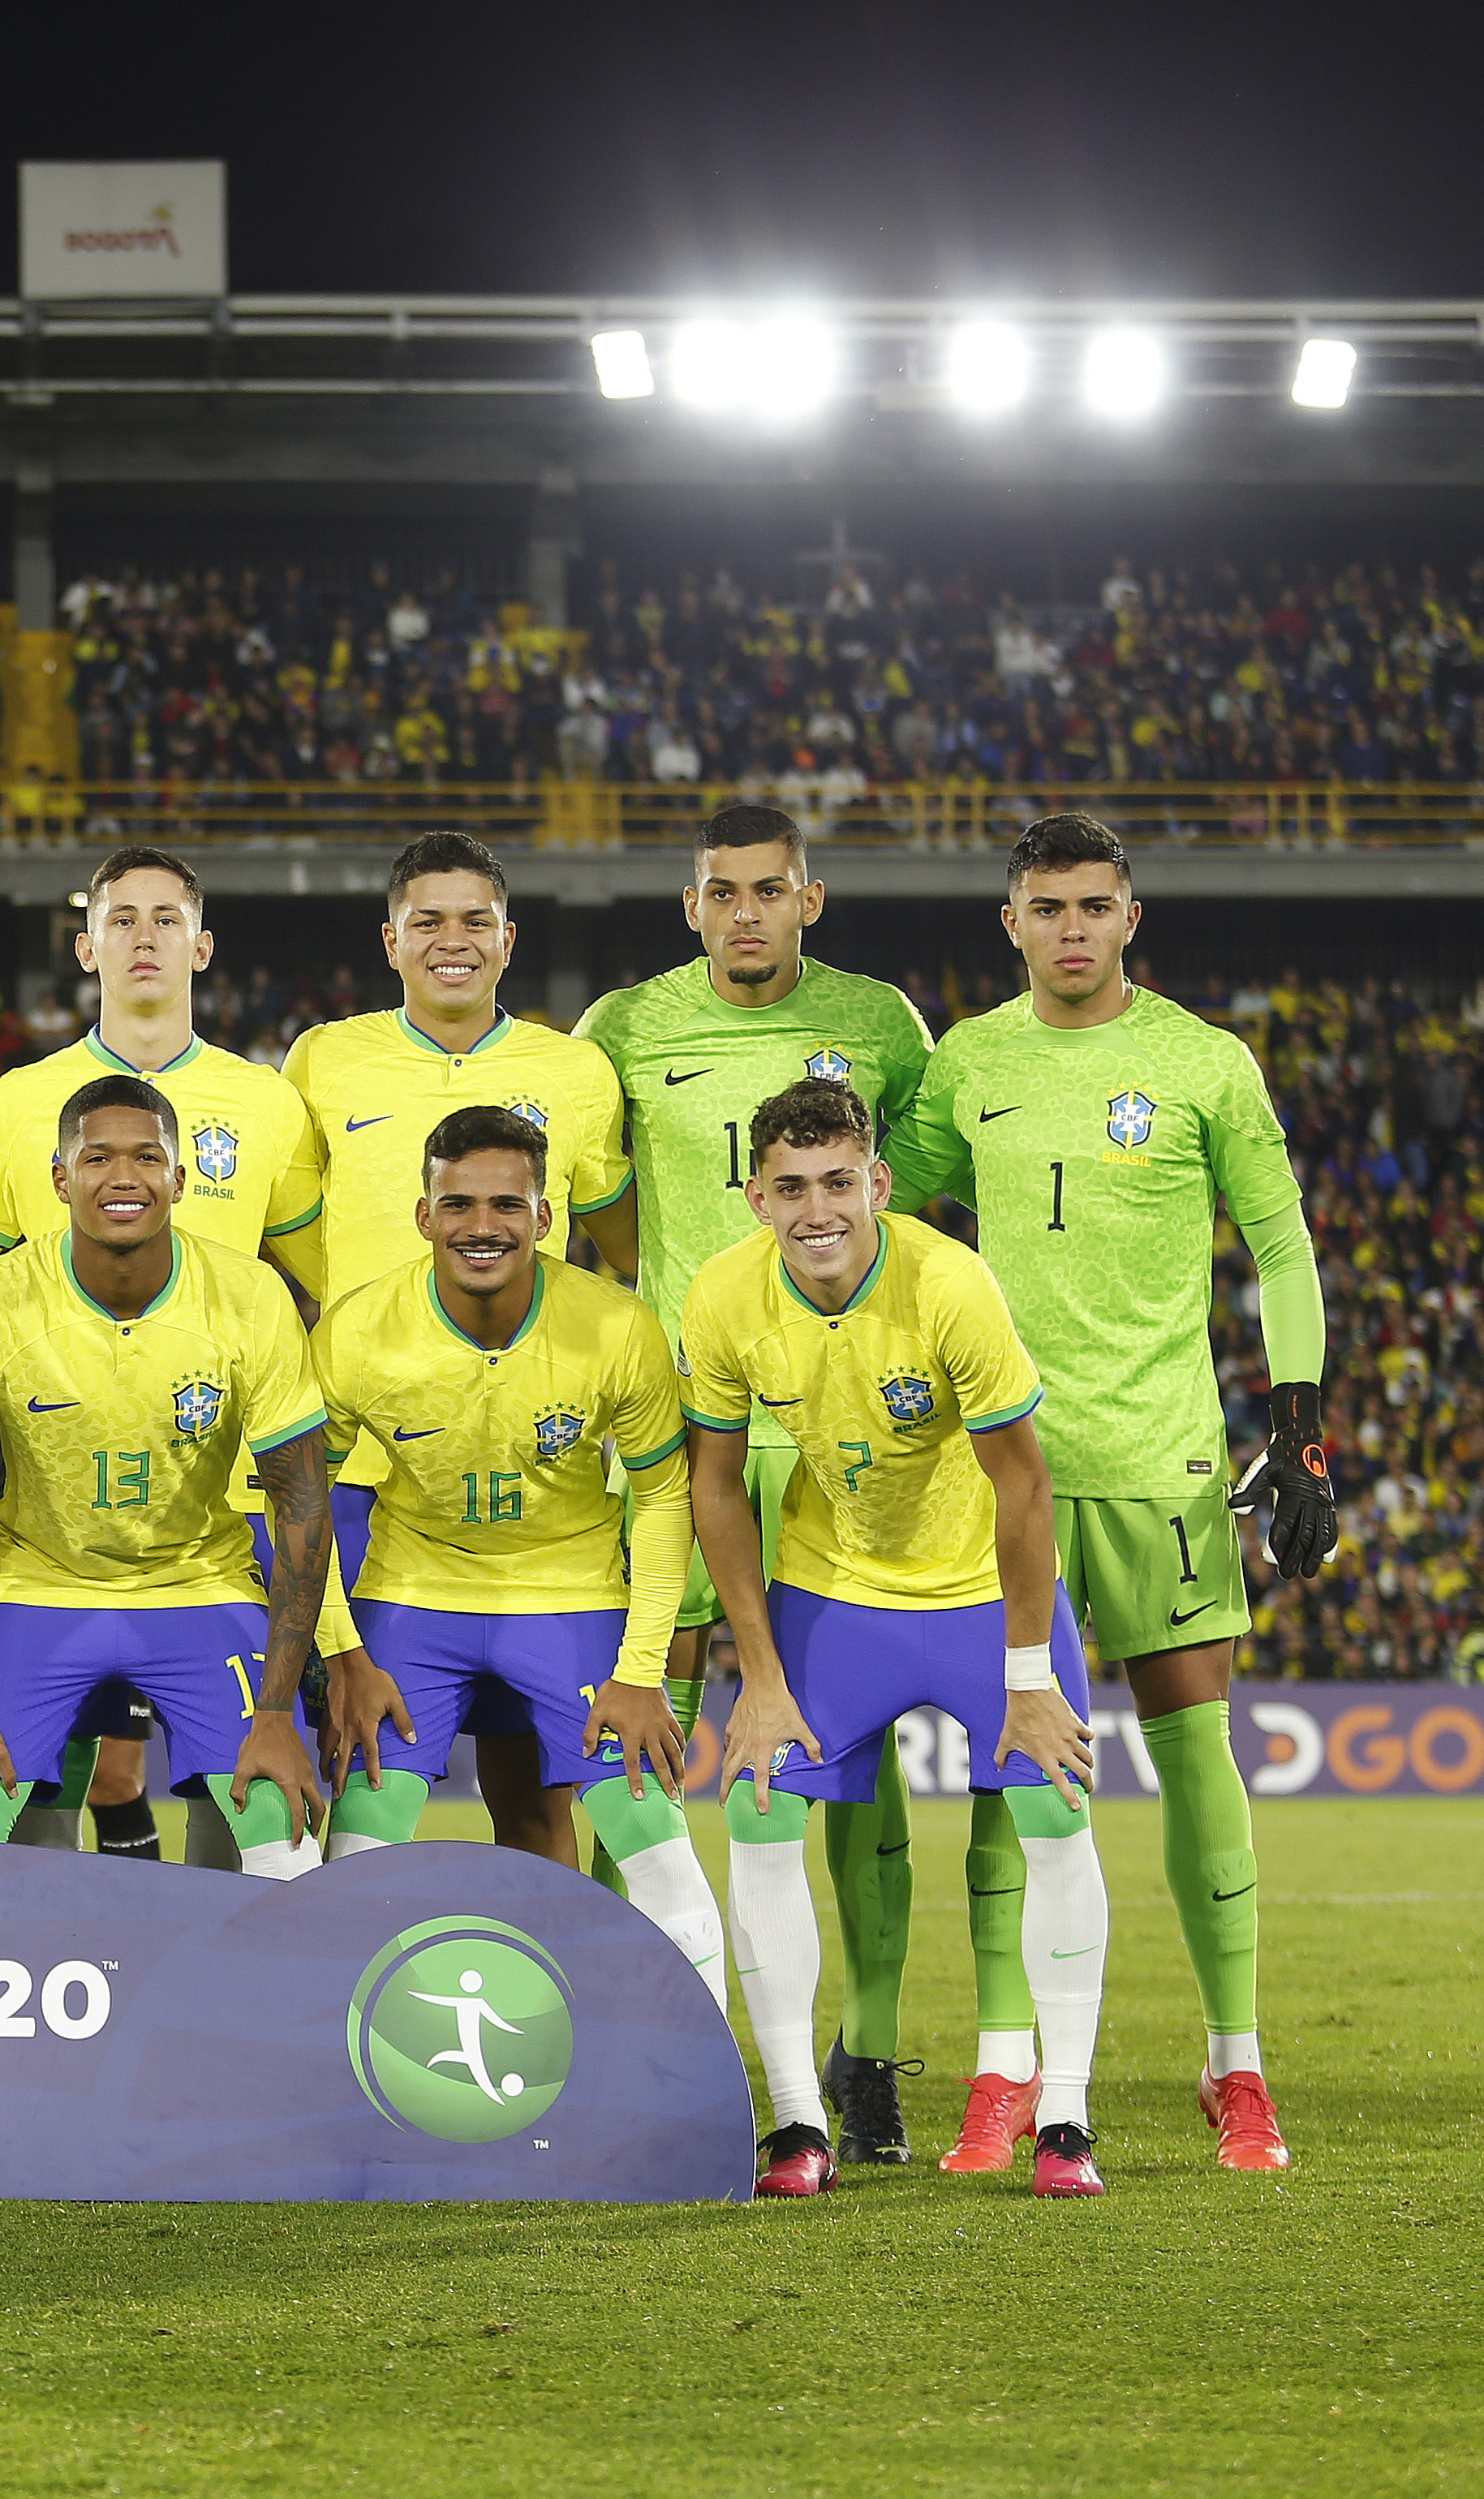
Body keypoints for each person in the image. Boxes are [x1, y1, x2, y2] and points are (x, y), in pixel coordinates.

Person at [888, 812, 1331, 2174]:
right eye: (1046, 906)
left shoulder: (1202, 1063)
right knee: (1009, 1767)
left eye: (1093, 905)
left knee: (1199, 1752)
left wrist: (1300, 1426)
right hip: (1007, 1468)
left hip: (1162, 1460)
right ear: (1009, 923)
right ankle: (1004, 2069)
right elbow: (883, 1220)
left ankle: (1236, 2066)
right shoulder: (968, 1064)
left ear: (1131, 915)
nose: (1070, 927)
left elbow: (1284, 1244)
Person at [574, 799, 934, 2161]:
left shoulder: (885, 1025)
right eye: (720, 891)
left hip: (845, 1456)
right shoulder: (625, 1028)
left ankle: (872, 2052)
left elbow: (911, 1196)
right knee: (641, 1726)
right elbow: (605, 1208)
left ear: (809, 899)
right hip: (678, 1448)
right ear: (690, 906)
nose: (744, 912)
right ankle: (634, 2031)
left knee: (850, 1762)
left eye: (768, 890)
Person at [693, 1078, 1108, 2200]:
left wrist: (1027, 1680)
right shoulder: (722, 1298)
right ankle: (792, 2123)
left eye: (836, 1182)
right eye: (788, 1187)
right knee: (756, 1800)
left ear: (875, 1182)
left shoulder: (947, 1284)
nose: (813, 1209)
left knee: (1055, 1806)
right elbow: (716, 1489)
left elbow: (1023, 1482)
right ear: (755, 1197)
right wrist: (759, 1679)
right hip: (831, 1595)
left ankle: (1062, 2116)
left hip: (981, 1596)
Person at [0, 843, 323, 1864]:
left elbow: (314, 1294)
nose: (144, 936)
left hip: (223, 1509)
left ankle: (218, 1984)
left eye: (165, 918)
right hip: (50, 1511)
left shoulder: (271, 1101)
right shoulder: (17, 1103)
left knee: (231, 1788)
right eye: (122, 918)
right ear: (86, 944)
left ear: (202, 946)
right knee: (40, 1776)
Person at [303, 1106, 728, 2000]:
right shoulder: (358, 1330)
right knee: (356, 1857)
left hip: (570, 1597)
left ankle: (695, 2121)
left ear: (546, 1216)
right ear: (424, 1215)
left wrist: (641, 1667)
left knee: (663, 1869)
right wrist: (343, 1655)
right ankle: (336, 2106)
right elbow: (299, 1499)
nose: (482, 1225)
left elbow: (661, 1495)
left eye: (508, 1203)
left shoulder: (616, 1327)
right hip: (413, 1597)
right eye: (457, 1203)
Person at [278, 831, 631, 1858]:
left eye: (475, 920)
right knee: (345, 1764)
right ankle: (328, 1999)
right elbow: (288, 1226)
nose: (452, 940)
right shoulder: (323, 1058)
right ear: (390, 939)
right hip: (357, 1470)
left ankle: (558, 1999)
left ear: (509, 939)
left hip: (527, 1473)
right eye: (428, 920)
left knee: (535, 1792)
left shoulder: (573, 1070)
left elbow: (622, 1247)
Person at [0, 1077, 335, 1871]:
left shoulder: (250, 1295)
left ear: (181, 1178)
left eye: (147, 1157)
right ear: (60, 1178)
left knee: (283, 1834)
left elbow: (300, 1502)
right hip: (36, 1584)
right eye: (97, 1157)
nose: (123, 1176)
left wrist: (277, 1708)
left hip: (200, 1585)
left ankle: (235, 1989)